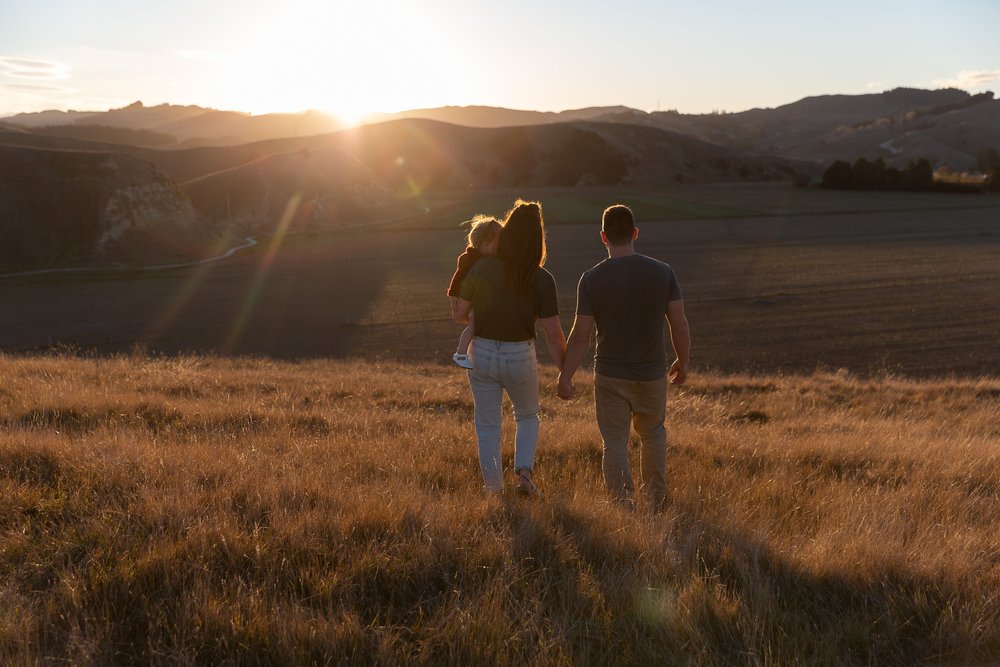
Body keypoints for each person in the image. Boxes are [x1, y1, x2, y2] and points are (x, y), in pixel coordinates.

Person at [557, 204, 690, 510]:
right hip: (652, 373)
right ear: (635, 233)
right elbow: (679, 324)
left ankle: (622, 505)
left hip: (610, 375)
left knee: (614, 442)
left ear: (603, 236)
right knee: (653, 434)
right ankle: (656, 499)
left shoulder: (590, 279)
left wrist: (565, 377)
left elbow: (580, 336)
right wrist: (683, 361)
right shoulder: (663, 272)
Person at [454, 200, 567, 494]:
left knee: (488, 425)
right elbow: (554, 335)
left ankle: (493, 490)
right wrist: (565, 375)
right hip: (520, 354)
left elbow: (460, 314)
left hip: (481, 352)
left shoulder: (482, 267)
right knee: (527, 416)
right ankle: (525, 477)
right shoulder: (543, 278)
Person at [447, 215, 503, 369]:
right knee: (473, 323)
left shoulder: (480, 258)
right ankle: (461, 353)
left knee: (475, 323)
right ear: (486, 244)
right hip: (465, 295)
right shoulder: (471, 259)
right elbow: (457, 277)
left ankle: (462, 353)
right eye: (499, 243)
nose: (502, 246)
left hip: (470, 294)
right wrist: (452, 294)